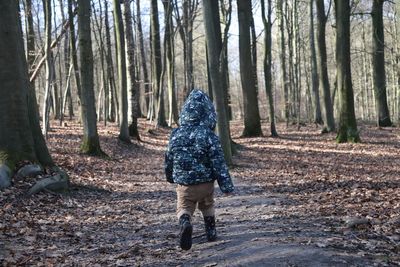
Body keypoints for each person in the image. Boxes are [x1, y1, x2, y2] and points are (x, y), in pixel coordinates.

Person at [165, 89, 234, 250]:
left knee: (184, 207)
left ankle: (185, 223)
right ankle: (211, 232)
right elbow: (219, 163)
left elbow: (169, 158)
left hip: (185, 185)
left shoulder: (175, 134)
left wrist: (170, 176)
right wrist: (226, 186)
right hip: (206, 183)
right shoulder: (209, 135)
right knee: (207, 204)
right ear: (207, 113)